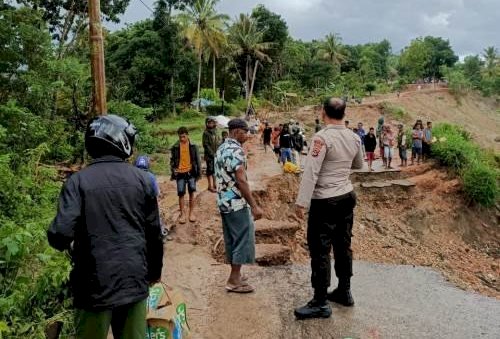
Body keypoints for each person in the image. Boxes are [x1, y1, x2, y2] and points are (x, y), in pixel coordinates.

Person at [47, 115, 163, 339]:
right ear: (121, 141)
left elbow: (59, 234)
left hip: (93, 287)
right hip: (134, 281)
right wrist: (154, 272)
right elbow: (154, 234)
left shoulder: (78, 182)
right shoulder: (143, 180)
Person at [294, 98, 363, 320]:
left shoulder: (322, 138)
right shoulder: (354, 137)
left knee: (320, 249)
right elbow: (358, 165)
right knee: (343, 245)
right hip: (346, 195)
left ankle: (321, 302)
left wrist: (301, 203)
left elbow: (311, 173)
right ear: (344, 112)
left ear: (323, 112)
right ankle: (344, 290)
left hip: (324, 200)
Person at [215, 118, 264, 293]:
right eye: (245, 132)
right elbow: (241, 180)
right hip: (236, 202)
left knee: (232, 238)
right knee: (244, 237)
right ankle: (234, 280)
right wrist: (254, 205)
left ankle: (236, 274)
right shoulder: (236, 150)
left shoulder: (221, 148)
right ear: (236, 132)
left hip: (223, 201)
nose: (248, 135)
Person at [171, 127, 202, 224]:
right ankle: (182, 214)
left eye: (184, 136)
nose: (182, 139)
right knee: (181, 193)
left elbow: (198, 160)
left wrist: (199, 173)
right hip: (180, 173)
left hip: (191, 172)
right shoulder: (175, 147)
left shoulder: (193, 146)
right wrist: (173, 169)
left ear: (187, 135)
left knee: (192, 192)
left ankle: (191, 213)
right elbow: (172, 160)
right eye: (180, 137)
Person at [203, 116, 220, 193]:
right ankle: (210, 186)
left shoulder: (215, 131)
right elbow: (205, 145)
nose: (210, 124)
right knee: (210, 171)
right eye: (209, 123)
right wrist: (212, 154)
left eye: (212, 122)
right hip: (209, 156)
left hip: (216, 154)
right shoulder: (206, 133)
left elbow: (218, 141)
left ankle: (215, 184)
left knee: (215, 170)